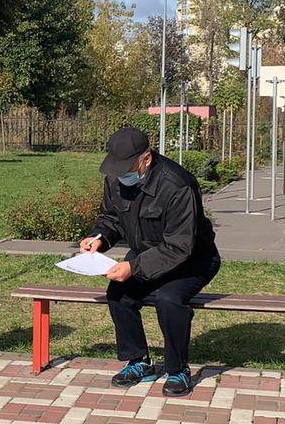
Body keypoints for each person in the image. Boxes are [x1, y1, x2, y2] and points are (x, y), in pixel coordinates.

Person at [79, 127, 221, 396]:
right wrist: (99, 238)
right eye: (117, 168)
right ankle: (139, 361)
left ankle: (178, 369)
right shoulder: (115, 179)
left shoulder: (178, 185)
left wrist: (133, 266)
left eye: (127, 167)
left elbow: (179, 245)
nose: (121, 175)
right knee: (118, 294)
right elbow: (110, 218)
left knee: (169, 300)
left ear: (146, 159)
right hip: (146, 253)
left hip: (193, 259)